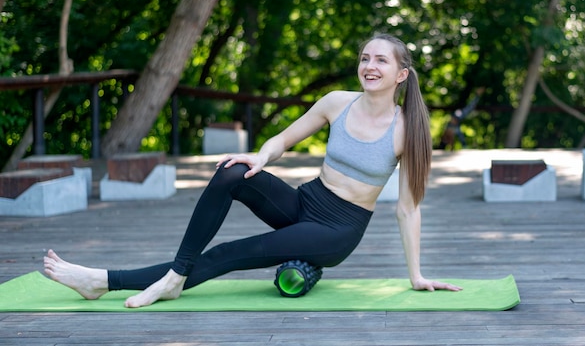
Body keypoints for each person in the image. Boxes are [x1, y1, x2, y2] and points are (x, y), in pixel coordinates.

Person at [43, 33, 462, 308]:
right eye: (365, 57)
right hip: (305, 201)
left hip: (338, 230)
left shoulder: (407, 130)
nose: (370, 66)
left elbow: (408, 209)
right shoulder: (338, 101)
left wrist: (416, 275)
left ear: (401, 75)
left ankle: (103, 280)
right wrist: (260, 158)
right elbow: (281, 140)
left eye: (382, 61)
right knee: (231, 171)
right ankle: (175, 275)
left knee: (230, 253)